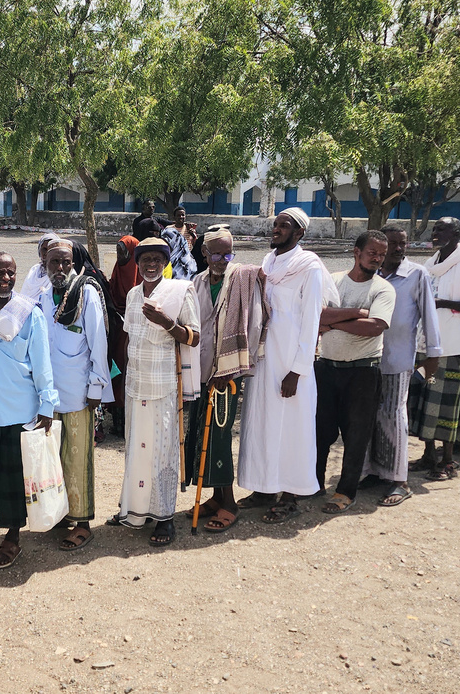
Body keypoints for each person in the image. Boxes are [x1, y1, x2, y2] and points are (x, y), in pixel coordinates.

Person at [238, 208, 333, 523]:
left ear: (300, 233)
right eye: (276, 224)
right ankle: (264, 487)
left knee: (291, 430)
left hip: (291, 365)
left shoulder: (310, 267)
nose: (277, 229)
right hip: (263, 360)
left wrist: (298, 370)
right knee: (261, 424)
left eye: (284, 225)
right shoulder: (267, 264)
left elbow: (311, 322)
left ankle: (290, 495)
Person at [0, 253, 58, 569]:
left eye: (11, 273)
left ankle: (12, 539)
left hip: (20, 411)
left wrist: (48, 404)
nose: (5, 278)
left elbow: (43, 363)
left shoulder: (29, 314)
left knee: (13, 482)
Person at [111, 237, 200, 546]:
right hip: (136, 385)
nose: (151, 264)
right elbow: (128, 339)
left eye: (156, 259)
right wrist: (121, 378)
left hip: (164, 387)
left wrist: (167, 323)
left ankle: (164, 518)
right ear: (137, 263)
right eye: (145, 259)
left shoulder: (180, 291)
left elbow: (194, 337)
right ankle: (135, 509)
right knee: (136, 449)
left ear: (165, 263)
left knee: (161, 453)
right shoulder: (134, 294)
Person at [186, 228, 263, 532]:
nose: (222, 260)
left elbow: (253, 325)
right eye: (216, 254)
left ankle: (229, 503)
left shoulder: (242, 280)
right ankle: (217, 497)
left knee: (218, 436)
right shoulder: (196, 282)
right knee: (201, 435)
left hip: (227, 375)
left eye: (227, 254)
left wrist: (232, 369)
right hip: (202, 372)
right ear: (204, 254)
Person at [38, 238, 113, 550]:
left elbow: (99, 342)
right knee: (52, 459)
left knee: (77, 460)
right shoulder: (42, 296)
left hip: (80, 394)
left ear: (73, 263)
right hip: (48, 397)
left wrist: (97, 387)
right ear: (45, 264)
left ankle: (82, 522)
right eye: (54, 262)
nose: (60, 267)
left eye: (65, 262)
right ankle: (60, 515)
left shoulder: (87, 294)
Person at [314, 230, 395, 514]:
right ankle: (314, 484)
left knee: (356, 435)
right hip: (326, 367)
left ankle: (346, 492)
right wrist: (356, 313)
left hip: (363, 371)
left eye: (382, 255)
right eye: (372, 252)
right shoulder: (334, 281)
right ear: (356, 252)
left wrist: (335, 322)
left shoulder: (383, 289)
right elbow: (316, 315)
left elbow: (374, 327)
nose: (377, 258)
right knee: (320, 432)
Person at [360, 226, 442, 506]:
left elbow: (429, 316)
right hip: (367, 359)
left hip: (398, 359)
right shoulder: (370, 274)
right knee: (368, 416)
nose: (397, 249)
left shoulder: (416, 274)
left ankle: (400, 480)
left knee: (394, 417)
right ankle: (374, 471)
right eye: (391, 244)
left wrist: (433, 353)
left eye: (401, 244)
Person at [409, 217, 460, 481]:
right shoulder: (430, 263)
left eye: (441, 229)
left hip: (453, 344)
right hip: (425, 343)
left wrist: (444, 303)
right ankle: (428, 454)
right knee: (425, 400)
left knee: (446, 405)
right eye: (434, 229)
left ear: (456, 233)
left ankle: (447, 460)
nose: (435, 233)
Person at [107, 236, 141, 436]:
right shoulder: (117, 273)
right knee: (117, 374)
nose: (120, 256)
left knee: (131, 375)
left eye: (123, 253)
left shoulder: (141, 278)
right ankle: (118, 422)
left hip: (133, 334)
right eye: (118, 252)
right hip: (117, 333)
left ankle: (131, 424)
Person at [19, 233, 59, 299]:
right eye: (44, 249)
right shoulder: (34, 270)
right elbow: (23, 295)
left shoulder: (59, 274)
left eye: (50, 249)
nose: (46, 253)